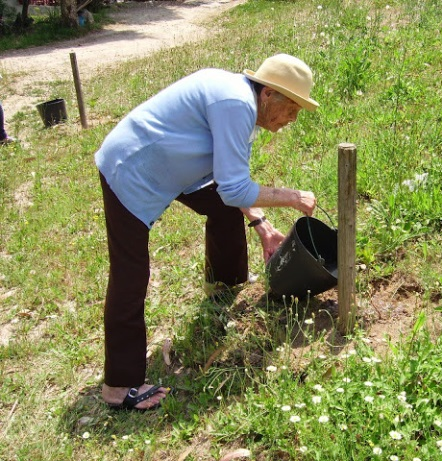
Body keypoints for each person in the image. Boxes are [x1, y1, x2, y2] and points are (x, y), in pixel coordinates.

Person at [95, 54, 320, 411]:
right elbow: (234, 188)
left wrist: (262, 225)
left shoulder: (241, 102)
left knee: (222, 206)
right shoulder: (235, 103)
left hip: (172, 162)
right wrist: (291, 198)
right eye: (291, 109)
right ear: (268, 96)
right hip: (133, 166)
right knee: (130, 272)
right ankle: (119, 386)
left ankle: (224, 285)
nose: (292, 120)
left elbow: (228, 183)